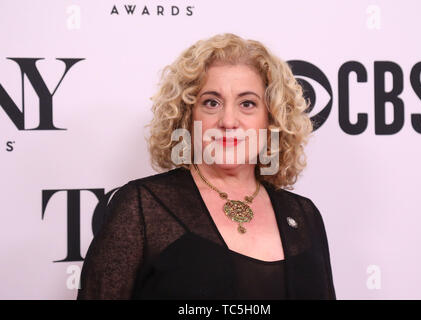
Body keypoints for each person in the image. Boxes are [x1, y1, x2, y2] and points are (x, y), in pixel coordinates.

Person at [77, 33, 336, 300]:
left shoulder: (304, 215)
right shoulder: (142, 207)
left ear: (270, 120)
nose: (228, 120)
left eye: (247, 104)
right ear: (188, 117)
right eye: (212, 103)